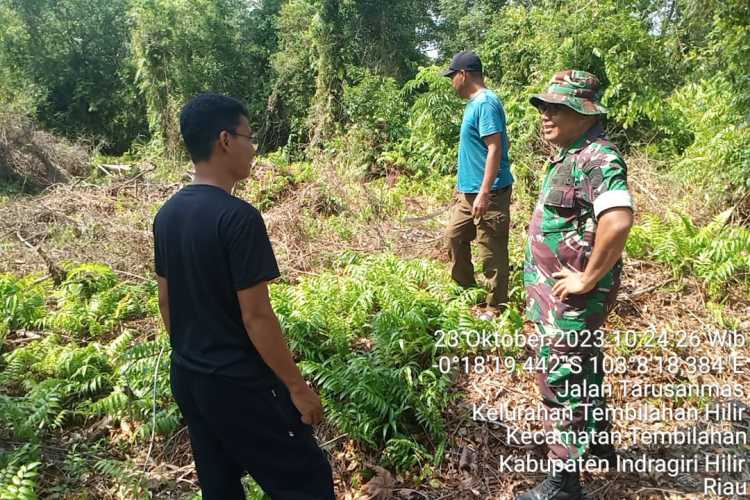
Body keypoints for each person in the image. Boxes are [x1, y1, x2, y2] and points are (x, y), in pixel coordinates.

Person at [153, 93, 335, 500]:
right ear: (224, 140)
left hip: (188, 376)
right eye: (249, 137)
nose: (254, 149)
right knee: (307, 483)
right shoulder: (238, 218)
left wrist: (196, 357)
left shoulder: (167, 214)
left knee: (219, 486)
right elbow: (257, 317)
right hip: (239, 386)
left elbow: (167, 303)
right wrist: (297, 387)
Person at [518, 70, 634, 500]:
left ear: (584, 112)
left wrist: (588, 277)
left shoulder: (598, 159)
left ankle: (564, 483)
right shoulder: (569, 154)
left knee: (561, 381)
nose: (546, 115)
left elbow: (618, 220)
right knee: (582, 367)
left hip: (571, 301)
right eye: (544, 106)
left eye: (557, 107)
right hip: (556, 300)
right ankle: (598, 446)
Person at [442, 50, 514, 319]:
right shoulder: (474, 104)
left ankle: (496, 306)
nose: (452, 82)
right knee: (454, 236)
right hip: (469, 193)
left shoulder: (485, 102)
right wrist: (463, 188)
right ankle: (466, 291)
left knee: (491, 251)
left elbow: (494, 148)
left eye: (452, 76)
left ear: (464, 74)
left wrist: (484, 192)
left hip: (490, 193)